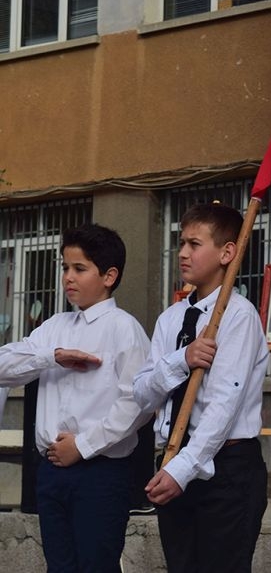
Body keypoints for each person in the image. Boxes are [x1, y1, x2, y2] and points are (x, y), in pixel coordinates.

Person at [0, 223, 151, 571]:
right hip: (51, 472)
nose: (68, 277)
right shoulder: (55, 326)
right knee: (59, 565)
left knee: (96, 564)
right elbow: (5, 365)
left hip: (100, 473)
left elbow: (137, 403)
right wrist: (53, 356)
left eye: (79, 269)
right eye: (65, 267)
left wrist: (82, 446)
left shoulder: (123, 328)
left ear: (109, 275)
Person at [133, 203, 269, 573]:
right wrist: (182, 359)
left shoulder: (239, 316)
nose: (182, 252)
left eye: (194, 243)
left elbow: (224, 405)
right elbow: (144, 393)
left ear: (227, 253)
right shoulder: (170, 319)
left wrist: (183, 470)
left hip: (225, 468)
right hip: (174, 458)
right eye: (181, 242)